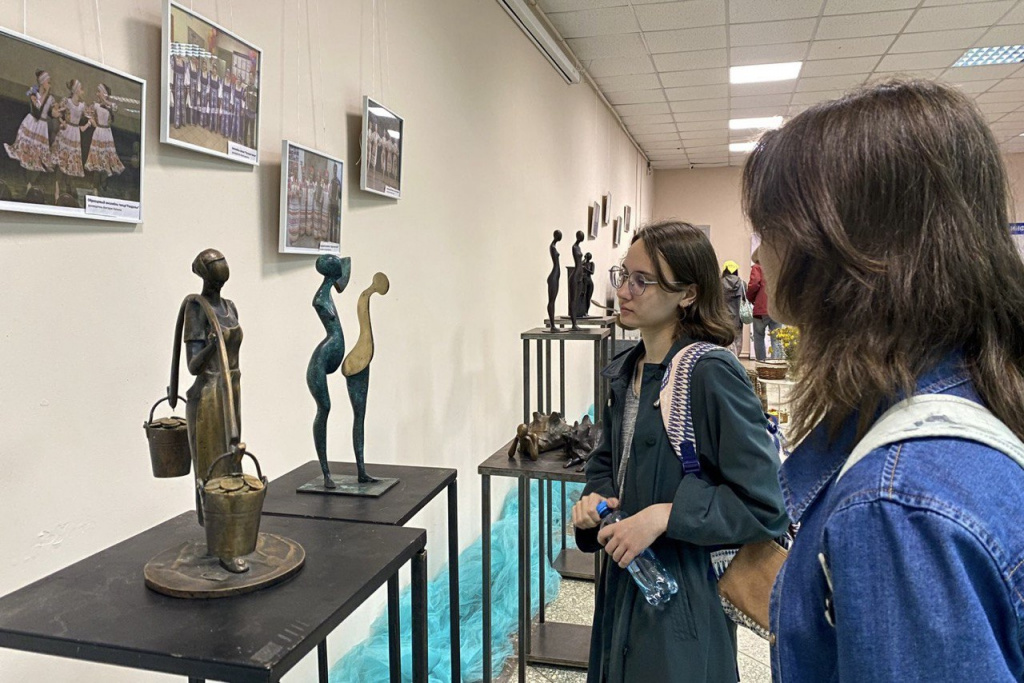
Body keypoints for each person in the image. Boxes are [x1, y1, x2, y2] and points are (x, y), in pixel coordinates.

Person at [742, 79, 1024, 681]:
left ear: (840, 245)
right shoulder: (967, 395)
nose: (759, 254)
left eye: (771, 229)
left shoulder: (895, 505)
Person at [572, 221, 789, 683]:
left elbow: (766, 504)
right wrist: (595, 504)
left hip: (685, 606)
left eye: (642, 281)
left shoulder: (710, 374)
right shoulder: (627, 372)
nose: (624, 292)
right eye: (623, 275)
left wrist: (665, 516)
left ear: (688, 294)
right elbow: (606, 463)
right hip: (623, 593)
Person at [5, 69, 55, 189]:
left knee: (38, 156)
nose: (50, 84)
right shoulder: (33, 91)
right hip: (32, 124)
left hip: (42, 127)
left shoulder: (51, 98)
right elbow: (37, 107)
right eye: (48, 82)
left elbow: (53, 112)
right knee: (27, 153)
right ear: (42, 82)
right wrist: (45, 93)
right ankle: (25, 182)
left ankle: (31, 183)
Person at [82, 84, 126, 191]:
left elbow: (116, 108)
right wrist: (91, 124)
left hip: (107, 134)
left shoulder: (110, 105)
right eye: (97, 92)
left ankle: (104, 181)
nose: (97, 94)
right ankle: (95, 187)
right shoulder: (96, 105)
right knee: (97, 160)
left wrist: (105, 101)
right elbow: (88, 114)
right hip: (98, 133)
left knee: (106, 158)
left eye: (99, 91)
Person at [746, 250, 781, 361]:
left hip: (761, 309)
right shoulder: (778, 267)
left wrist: (751, 298)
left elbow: (754, 284)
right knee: (777, 338)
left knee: (759, 336)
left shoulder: (757, 267)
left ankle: (761, 362)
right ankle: (776, 364)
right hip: (777, 308)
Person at [720, 260, 745, 357]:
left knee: (723, 339)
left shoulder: (719, 284)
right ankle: (735, 358)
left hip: (722, 317)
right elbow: (746, 298)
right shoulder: (742, 284)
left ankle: (725, 358)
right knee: (737, 339)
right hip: (738, 318)